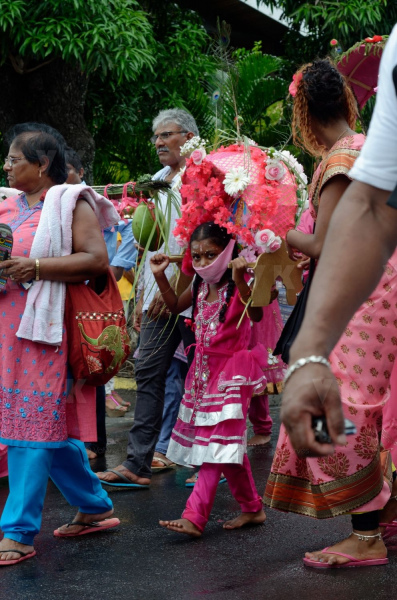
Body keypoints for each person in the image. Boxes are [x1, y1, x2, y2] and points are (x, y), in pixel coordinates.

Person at [264, 53, 397, 568]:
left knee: (348, 404)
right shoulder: (369, 145)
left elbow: (327, 246)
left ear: (303, 114)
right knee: (373, 401)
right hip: (381, 285)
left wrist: (272, 232)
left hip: (364, 292)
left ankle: (365, 534)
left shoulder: (342, 159)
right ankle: (383, 518)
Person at [0, 124, 120, 566]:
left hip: (45, 333)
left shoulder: (71, 202)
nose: (7, 165)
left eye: (14, 159)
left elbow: (96, 260)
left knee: (29, 427)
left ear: (42, 164)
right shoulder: (8, 206)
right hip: (6, 331)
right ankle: (95, 506)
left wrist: (34, 266)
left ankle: (17, 531)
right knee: (41, 424)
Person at [97, 108, 198, 487]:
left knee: (206, 377)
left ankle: (212, 465)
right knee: (148, 373)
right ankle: (138, 464)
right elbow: (144, 245)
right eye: (156, 137)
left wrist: (180, 289)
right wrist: (142, 294)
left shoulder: (202, 177)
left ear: (188, 138)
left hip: (194, 293)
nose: (158, 143)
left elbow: (202, 241)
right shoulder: (156, 182)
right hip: (156, 293)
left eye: (167, 135)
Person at [150, 221, 267, 536]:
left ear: (229, 252)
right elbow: (174, 306)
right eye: (197, 257)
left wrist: (241, 279)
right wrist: (161, 276)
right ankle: (253, 508)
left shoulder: (241, 283)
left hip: (233, 377)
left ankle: (194, 515)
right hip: (202, 375)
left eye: (210, 255)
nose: (202, 263)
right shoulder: (200, 287)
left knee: (215, 446)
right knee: (227, 446)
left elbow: (255, 314)